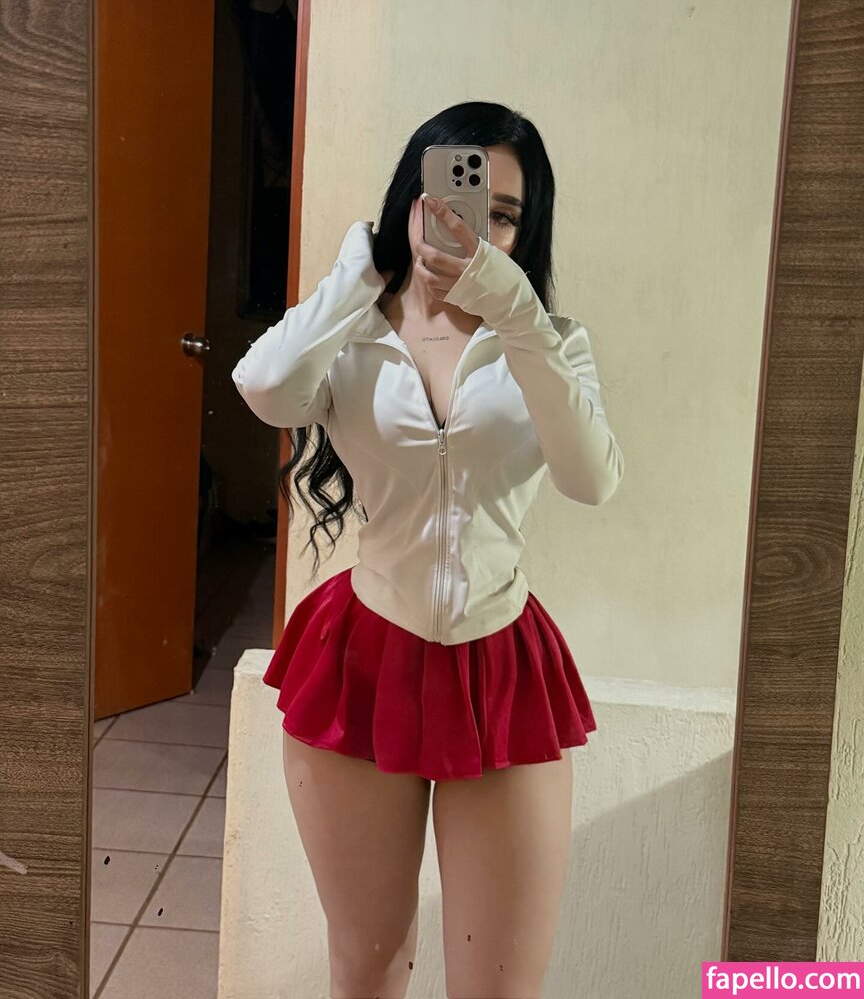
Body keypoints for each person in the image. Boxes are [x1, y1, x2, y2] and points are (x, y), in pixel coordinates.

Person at [231, 100, 624, 999]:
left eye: (505, 215)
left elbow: (592, 478)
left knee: (499, 987)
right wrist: (354, 277)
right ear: (410, 202)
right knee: (367, 968)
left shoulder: (552, 345)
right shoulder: (351, 339)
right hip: (363, 653)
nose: (476, 228)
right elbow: (264, 388)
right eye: (449, 201)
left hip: (502, 663)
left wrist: (515, 313)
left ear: (527, 234)